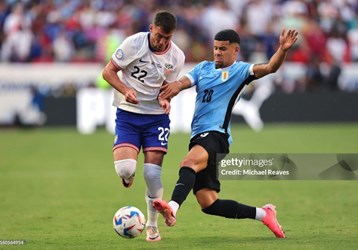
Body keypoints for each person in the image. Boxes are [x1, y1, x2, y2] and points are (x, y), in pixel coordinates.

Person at [153, 28, 298, 238]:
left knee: (188, 163)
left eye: (222, 49)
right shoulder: (203, 68)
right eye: (215, 48)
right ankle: (264, 214)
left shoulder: (240, 72)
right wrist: (174, 87)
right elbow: (184, 81)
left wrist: (282, 50)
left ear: (235, 50)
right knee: (208, 203)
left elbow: (270, 67)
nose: (217, 52)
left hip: (216, 135)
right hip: (199, 136)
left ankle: (172, 208)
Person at [102, 10, 185, 242]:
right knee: (126, 170)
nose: (162, 42)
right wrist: (125, 90)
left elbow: (167, 89)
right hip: (128, 114)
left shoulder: (177, 57)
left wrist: (166, 100)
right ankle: (128, 175)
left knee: (151, 173)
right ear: (151, 28)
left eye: (167, 38)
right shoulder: (133, 44)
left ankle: (151, 225)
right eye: (159, 36)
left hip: (156, 118)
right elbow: (108, 71)